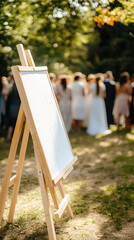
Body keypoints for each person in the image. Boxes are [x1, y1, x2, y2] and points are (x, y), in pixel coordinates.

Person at [6, 77, 21, 141]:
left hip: (12, 107)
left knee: (11, 124)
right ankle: (19, 139)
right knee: (18, 124)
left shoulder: (10, 87)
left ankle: (8, 137)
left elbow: (6, 97)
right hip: (18, 107)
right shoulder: (21, 87)